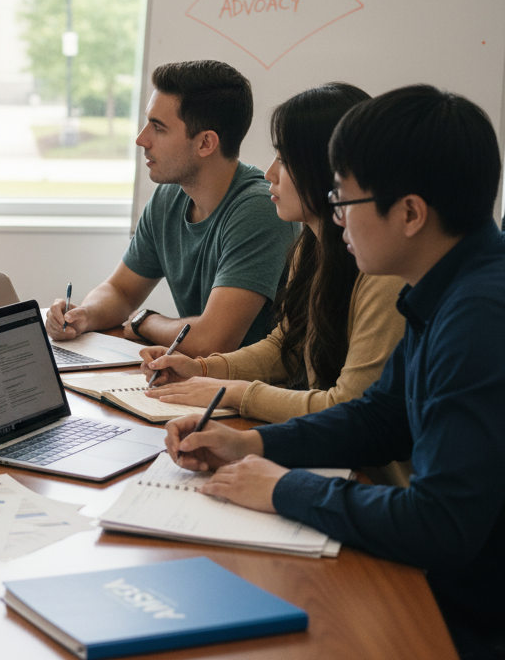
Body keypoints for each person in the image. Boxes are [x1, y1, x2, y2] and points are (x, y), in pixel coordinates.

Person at [163, 85, 505, 659]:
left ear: (411, 213)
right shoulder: (446, 288)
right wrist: (250, 443)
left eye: (343, 198)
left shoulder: (478, 318)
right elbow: (380, 416)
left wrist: (285, 488)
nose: (335, 216)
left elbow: (441, 523)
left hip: (467, 619)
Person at [138, 83, 406, 426]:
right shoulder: (310, 249)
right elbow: (286, 347)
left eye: (285, 159)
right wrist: (201, 369)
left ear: (328, 170)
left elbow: (348, 406)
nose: (270, 174)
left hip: (372, 472)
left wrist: (231, 392)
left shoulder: (383, 274)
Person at [46, 60, 297, 357]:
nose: (141, 139)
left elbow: (212, 341)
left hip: (251, 393)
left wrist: (144, 321)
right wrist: (84, 315)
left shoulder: (259, 209)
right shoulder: (168, 197)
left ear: (205, 143)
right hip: (198, 380)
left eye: (158, 128)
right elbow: (121, 290)